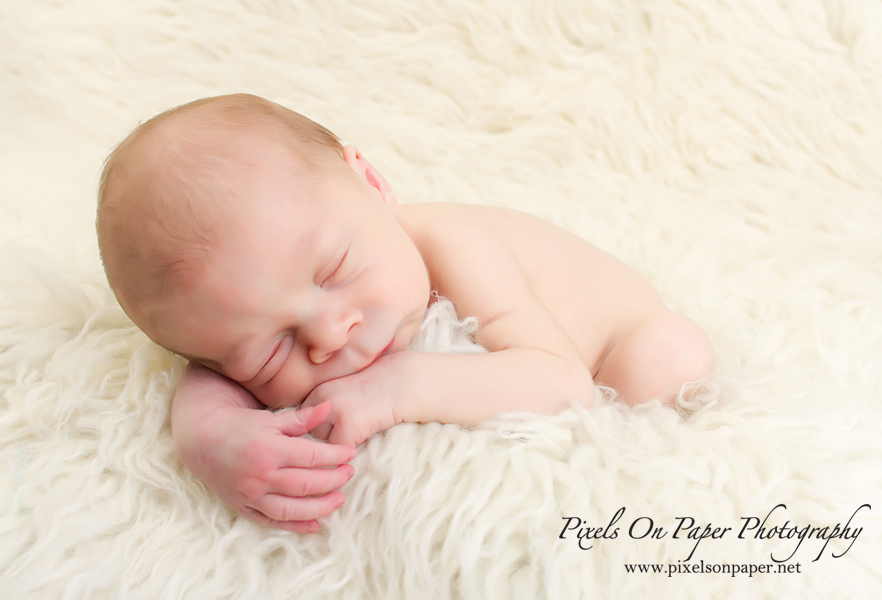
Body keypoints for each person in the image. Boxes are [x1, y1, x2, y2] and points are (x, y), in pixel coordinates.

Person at [96, 93, 715, 534]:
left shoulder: (453, 247)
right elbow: (209, 375)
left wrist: (395, 387)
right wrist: (209, 436)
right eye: (271, 348)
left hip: (612, 347)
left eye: (334, 270)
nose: (329, 333)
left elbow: (560, 380)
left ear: (370, 182)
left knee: (670, 359)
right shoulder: (238, 332)